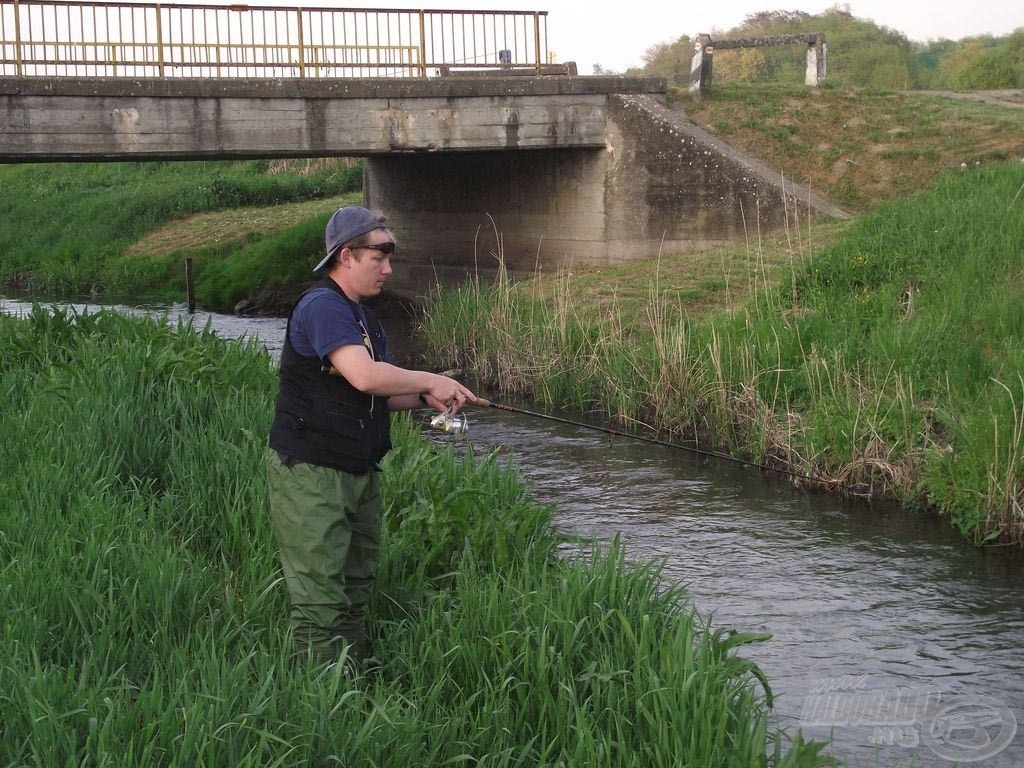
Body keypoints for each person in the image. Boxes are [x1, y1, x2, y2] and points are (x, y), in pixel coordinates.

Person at [266, 205, 476, 666]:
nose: (389, 267)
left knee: (355, 587)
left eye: (389, 256)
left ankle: (349, 681)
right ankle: (317, 702)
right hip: (312, 473)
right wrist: (428, 378)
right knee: (321, 596)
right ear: (346, 256)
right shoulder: (322, 306)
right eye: (379, 256)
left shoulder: (366, 321)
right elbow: (364, 377)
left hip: (358, 471)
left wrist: (425, 398)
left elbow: (373, 395)